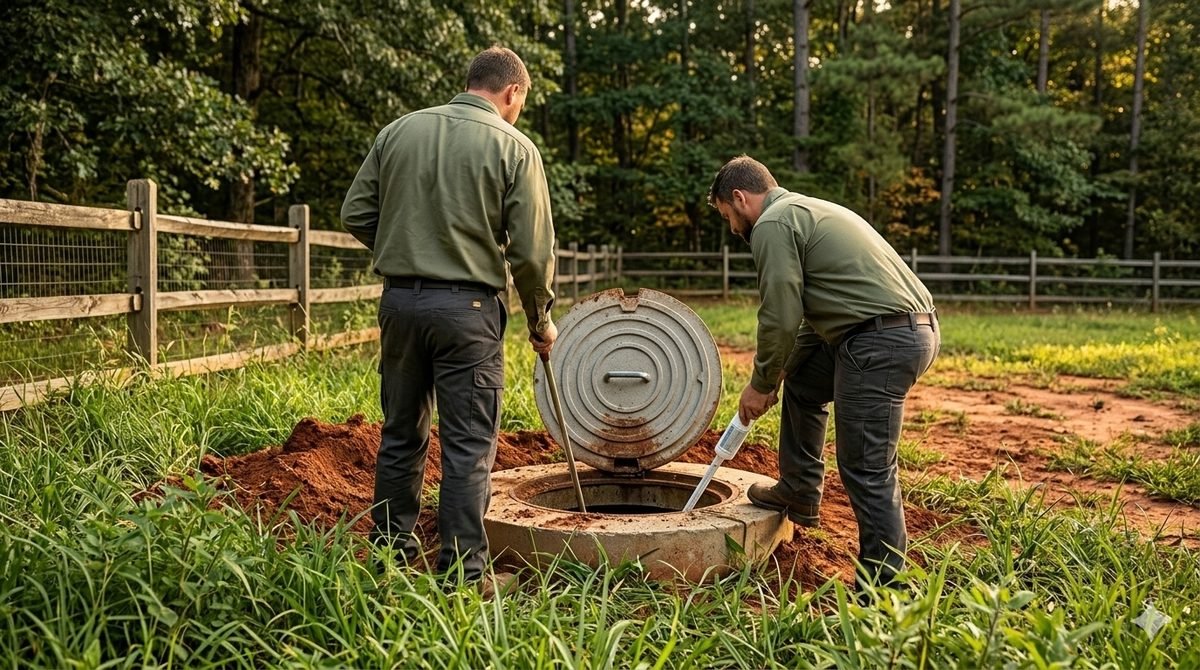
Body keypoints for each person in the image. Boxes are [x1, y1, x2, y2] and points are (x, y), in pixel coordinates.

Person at [340, 46, 557, 587]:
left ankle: (390, 556)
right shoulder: (514, 148)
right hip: (470, 309)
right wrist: (540, 319)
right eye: (521, 104)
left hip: (400, 304)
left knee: (400, 432)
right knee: (467, 442)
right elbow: (531, 254)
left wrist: (403, 246)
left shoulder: (398, 132)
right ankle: (462, 575)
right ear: (513, 92)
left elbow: (356, 212)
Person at [707, 155, 939, 586]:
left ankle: (884, 587)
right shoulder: (806, 209)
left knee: (866, 466)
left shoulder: (773, 224)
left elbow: (780, 313)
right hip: (901, 330)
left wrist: (758, 385)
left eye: (728, 216)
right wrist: (778, 377)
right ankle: (798, 490)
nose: (733, 227)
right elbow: (817, 323)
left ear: (740, 198)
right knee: (804, 385)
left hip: (880, 342)